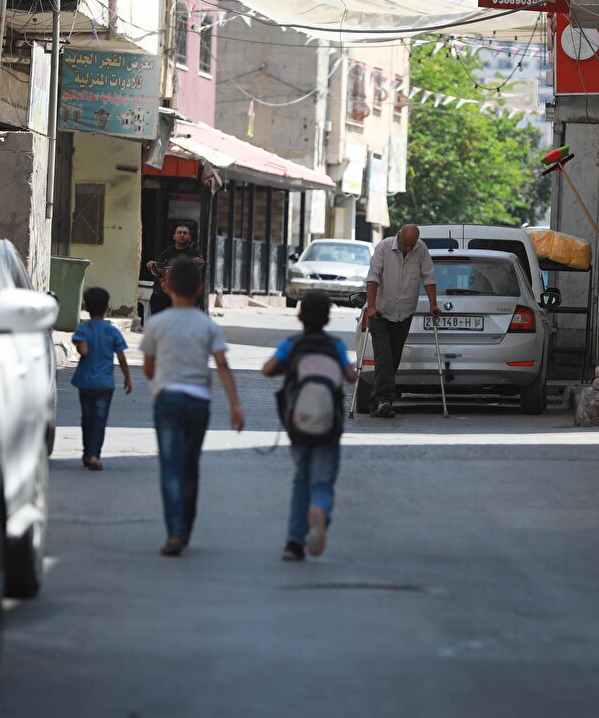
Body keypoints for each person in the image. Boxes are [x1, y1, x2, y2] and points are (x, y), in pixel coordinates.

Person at [141, 256, 245, 557]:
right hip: (199, 403)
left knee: (170, 467)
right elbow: (223, 366)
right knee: (190, 467)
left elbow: (148, 369)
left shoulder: (157, 324)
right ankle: (185, 528)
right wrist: (235, 405)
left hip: (168, 400)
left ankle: (174, 532)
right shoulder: (207, 326)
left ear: (168, 286)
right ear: (200, 289)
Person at [262, 290, 357, 561]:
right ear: (328, 319)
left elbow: (267, 369)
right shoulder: (336, 346)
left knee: (301, 480)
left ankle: (294, 543)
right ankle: (321, 513)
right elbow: (351, 377)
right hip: (328, 425)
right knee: (323, 482)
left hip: (299, 424)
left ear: (299, 316)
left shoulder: (292, 345)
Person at [362, 224, 440, 418]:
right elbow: (372, 279)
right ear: (399, 236)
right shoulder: (383, 248)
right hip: (379, 312)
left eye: (411, 245)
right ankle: (384, 400)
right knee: (384, 357)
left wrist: (433, 304)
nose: (408, 249)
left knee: (393, 358)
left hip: (404, 312)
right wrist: (371, 306)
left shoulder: (420, 249)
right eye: (406, 244)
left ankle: (377, 401)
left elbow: (428, 278)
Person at [71, 286, 132, 471]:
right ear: (106, 307)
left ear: (87, 308)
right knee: (99, 419)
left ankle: (86, 453)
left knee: (87, 418)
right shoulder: (112, 331)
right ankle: (94, 455)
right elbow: (121, 357)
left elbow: (84, 350)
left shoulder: (83, 329)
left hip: (85, 383)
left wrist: (80, 346)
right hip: (105, 384)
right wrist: (127, 378)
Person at [145, 224, 205, 317]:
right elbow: (157, 271)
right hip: (168, 290)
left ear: (189, 237)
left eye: (185, 233)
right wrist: (152, 266)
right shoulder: (166, 253)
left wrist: (198, 261)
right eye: (179, 233)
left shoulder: (194, 252)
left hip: (186, 290)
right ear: (174, 236)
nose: (182, 235)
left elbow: (200, 264)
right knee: (156, 298)